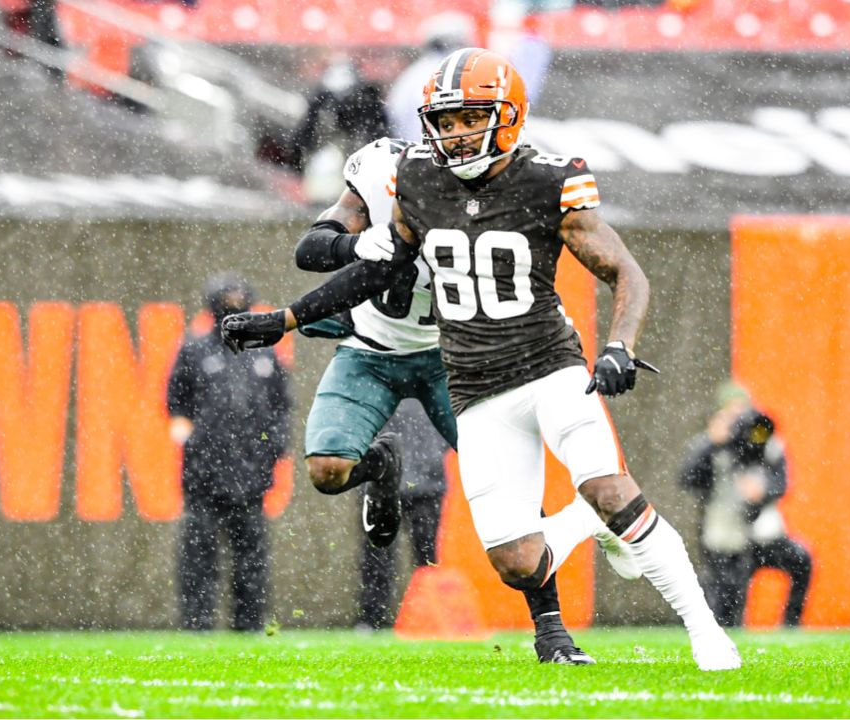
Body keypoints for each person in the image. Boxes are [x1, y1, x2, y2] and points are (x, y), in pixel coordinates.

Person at [222, 48, 740, 670]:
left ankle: (705, 630)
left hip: (548, 365)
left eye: (470, 118)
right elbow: (375, 270)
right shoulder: (414, 177)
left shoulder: (550, 179)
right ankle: (583, 524)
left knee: (608, 486)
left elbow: (624, 271)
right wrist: (286, 319)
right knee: (516, 561)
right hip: (474, 386)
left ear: (508, 115)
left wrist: (620, 346)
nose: (454, 133)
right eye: (444, 121)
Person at [264, 133, 633, 663]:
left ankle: (550, 629)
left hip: (451, 356)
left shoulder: (488, 190)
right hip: (374, 348)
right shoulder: (378, 169)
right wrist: (358, 245)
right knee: (326, 469)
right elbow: (315, 249)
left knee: (516, 494)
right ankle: (381, 468)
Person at [166, 274, 292, 632]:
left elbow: (283, 407)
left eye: (240, 297)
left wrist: (274, 449)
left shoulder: (265, 353)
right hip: (203, 475)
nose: (234, 303)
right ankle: (197, 625)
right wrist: (195, 442)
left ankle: (249, 627)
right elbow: (175, 402)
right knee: (198, 555)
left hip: (252, 477)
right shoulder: (194, 349)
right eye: (227, 298)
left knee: (252, 559)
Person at [678, 381, 813, 628]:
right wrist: (712, 443)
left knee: (801, 560)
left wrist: (762, 490)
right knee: (726, 601)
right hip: (723, 538)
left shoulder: (767, 442)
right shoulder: (710, 445)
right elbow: (687, 479)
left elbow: (782, 483)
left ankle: (791, 626)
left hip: (762, 535)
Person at [355, 399, 449, 631]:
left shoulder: (429, 380)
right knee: (380, 556)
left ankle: (428, 618)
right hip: (388, 482)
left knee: (425, 559)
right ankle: (373, 617)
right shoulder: (377, 378)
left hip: (423, 482)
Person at [385, 12, 476, 141]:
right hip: (443, 153)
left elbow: (393, 117)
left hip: (411, 152)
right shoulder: (455, 75)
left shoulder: (410, 76)